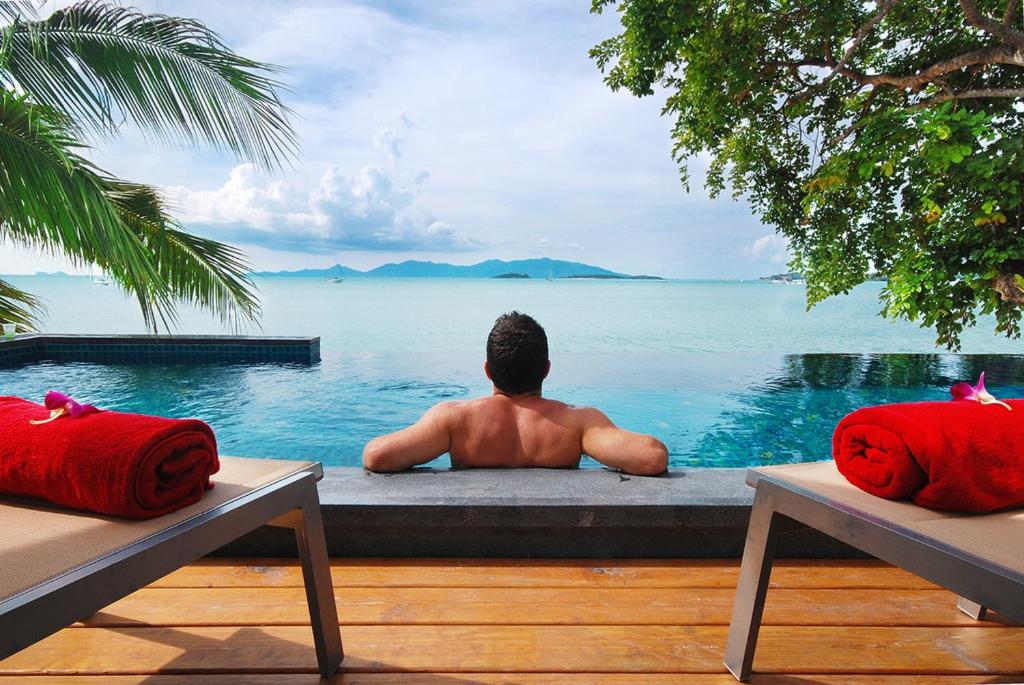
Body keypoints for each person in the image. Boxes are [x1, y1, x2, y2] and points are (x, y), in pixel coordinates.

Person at [362, 311, 669, 475]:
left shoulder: (455, 421)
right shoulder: (578, 425)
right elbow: (652, 457)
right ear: (547, 369)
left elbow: (377, 455)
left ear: (487, 370)